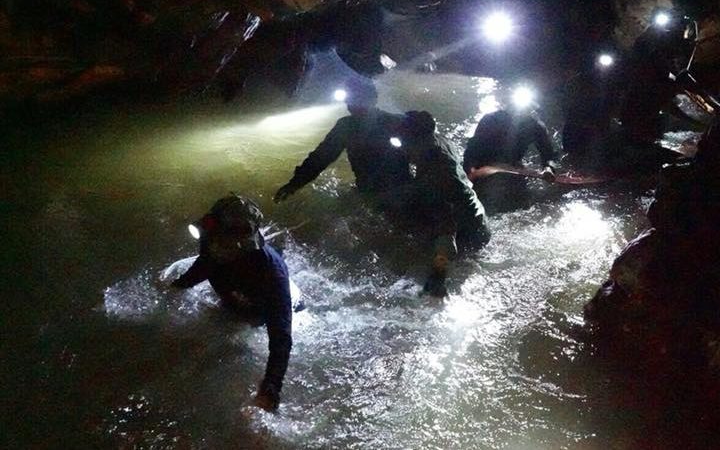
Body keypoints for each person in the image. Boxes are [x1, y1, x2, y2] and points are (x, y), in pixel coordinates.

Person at [171, 194, 295, 412]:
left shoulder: (271, 274)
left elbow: (281, 339)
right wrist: (178, 286)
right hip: (235, 298)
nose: (214, 246)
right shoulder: (212, 246)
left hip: (264, 311)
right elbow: (202, 267)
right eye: (214, 238)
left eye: (222, 242)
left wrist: (270, 387)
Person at [273, 76, 411, 204]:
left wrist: (294, 185)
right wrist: (294, 184)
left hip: (398, 192)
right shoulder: (346, 126)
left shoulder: (394, 122)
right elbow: (320, 158)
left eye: (356, 97)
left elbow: (424, 155)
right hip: (375, 192)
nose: (351, 103)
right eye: (350, 98)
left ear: (372, 99)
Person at [399, 111, 491, 297]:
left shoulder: (437, 177)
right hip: (478, 219)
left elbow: (447, 236)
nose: (402, 146)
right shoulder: (439, 141)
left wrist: (437, 278)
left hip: (468, 234)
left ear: (415, 140)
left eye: (404, 141)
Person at [463, 93, 560, 213]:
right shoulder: (489, 120)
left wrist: (548, 169)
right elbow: (472, 149)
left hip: (512, 167)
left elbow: (549, 154)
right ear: (507, 107)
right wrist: (470, 172)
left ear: (531, 110)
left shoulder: (536, 126)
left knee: (521, 205)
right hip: (484, 165)